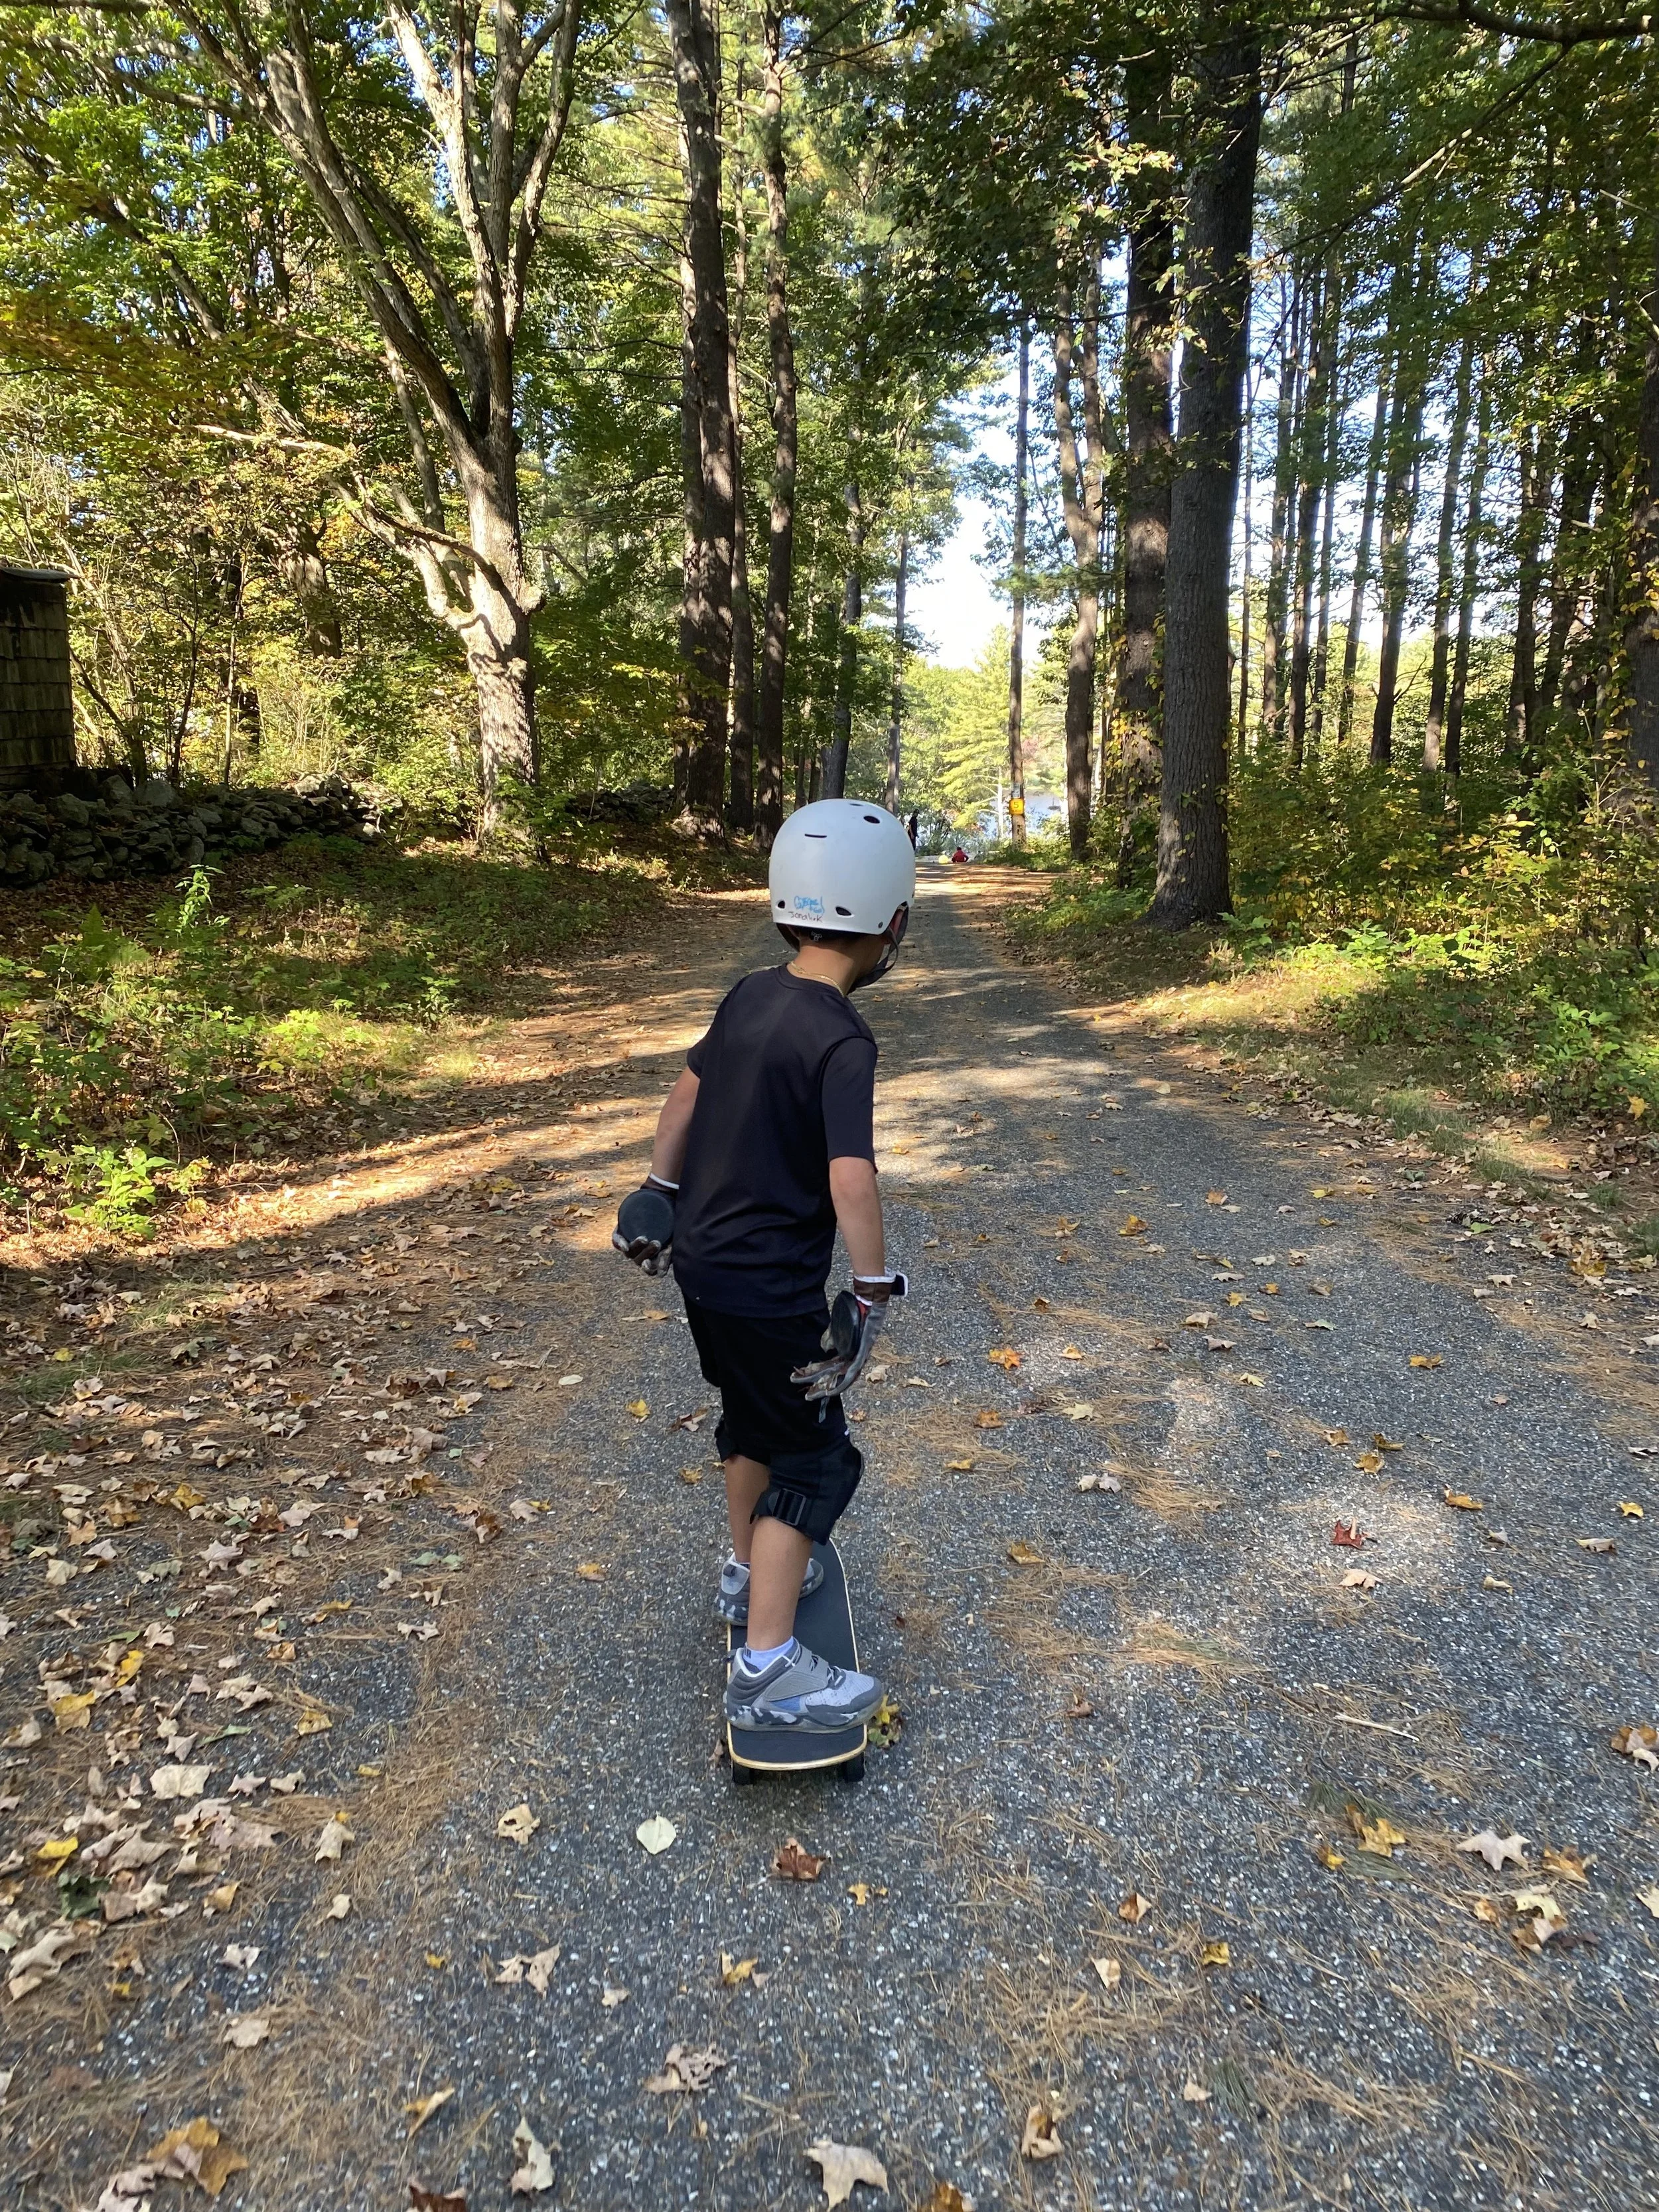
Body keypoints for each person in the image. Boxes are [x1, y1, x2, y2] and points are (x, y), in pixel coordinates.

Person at [613, 798, 915, 1735]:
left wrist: (659, 1187)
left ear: (783, 903)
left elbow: (686, 1094)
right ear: (892, 926)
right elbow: (851, 1176)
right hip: (774, 1289)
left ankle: (748, 1576)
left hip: (704, 1270)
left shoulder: (748, 995)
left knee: (750, 1419)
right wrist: (868, 1292)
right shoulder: (842, 1038)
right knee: (816, 1464)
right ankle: (770, 1667)